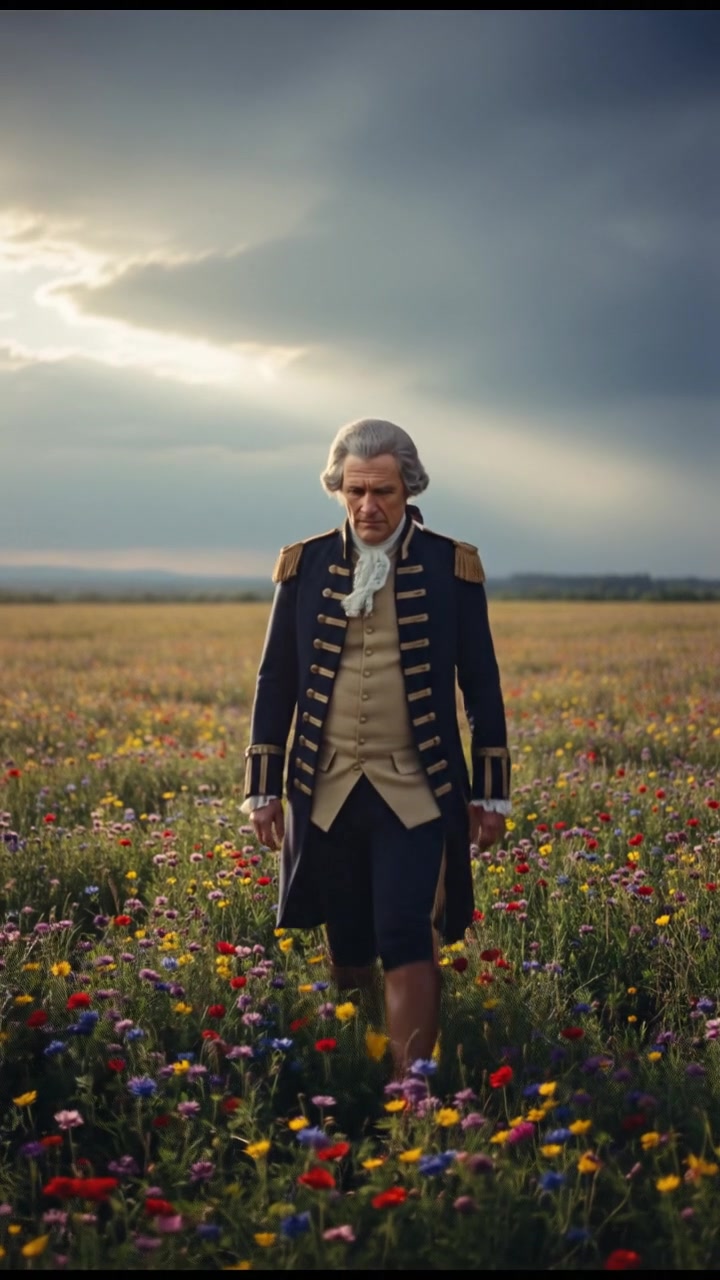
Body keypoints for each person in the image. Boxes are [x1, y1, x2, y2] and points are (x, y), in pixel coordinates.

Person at [242, 418, 510, 1075]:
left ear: (408, 488)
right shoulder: (303, 568)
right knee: (349, 938)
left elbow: (481, 684)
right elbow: (275, 680)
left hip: (416, 791)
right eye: (356, 491)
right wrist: (262, 788)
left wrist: (491, 794)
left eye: (383, 491)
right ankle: (359, 1064)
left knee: (405, 933)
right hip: (324, 787)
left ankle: (408, 1089)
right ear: (337, 489)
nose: (369, 506)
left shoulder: (452, 568)